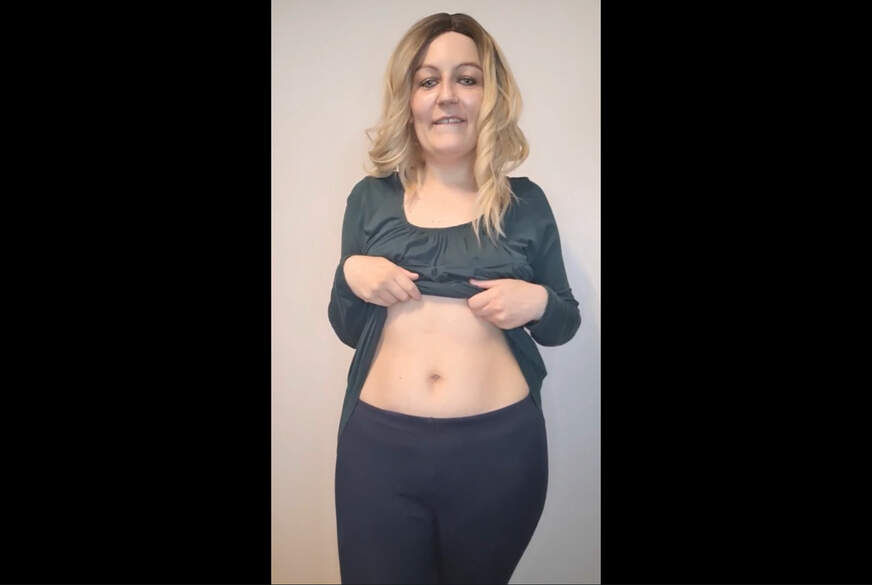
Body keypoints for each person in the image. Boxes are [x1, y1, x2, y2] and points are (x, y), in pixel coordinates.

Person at [328, 12, 581, 584]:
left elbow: (564, 322)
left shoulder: (526, 204)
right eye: (428, 80)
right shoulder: (369, 199)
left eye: (467, 78)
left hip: (500, 454)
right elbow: (347, 328)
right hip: (379, 453)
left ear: (491, 97)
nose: (447, 95)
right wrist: (350, 273)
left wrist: (539, 302)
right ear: (408, 99)